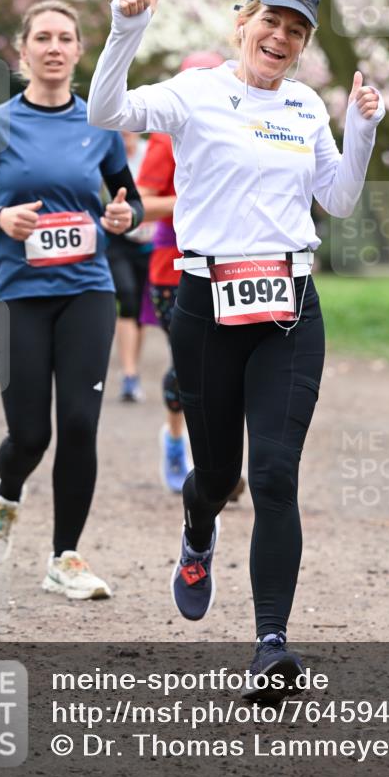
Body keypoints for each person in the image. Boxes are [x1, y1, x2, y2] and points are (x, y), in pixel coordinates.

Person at [88, 0, 384, 698]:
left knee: (275, 474)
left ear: (303, 46)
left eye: (296, 31)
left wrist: (362, 130)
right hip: (206, 305)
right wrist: (126, 28)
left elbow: (340, 198)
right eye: (270, 22)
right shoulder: (195, 92)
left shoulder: (305, 105)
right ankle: (198, 531)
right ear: (243, 23)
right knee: (218, 477)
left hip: (289, 307)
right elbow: (106, 112)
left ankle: (271, 646)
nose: (280, 38)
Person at [0, 0, 143, 600]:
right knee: (30, 435)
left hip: (87, 290)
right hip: (19, 296)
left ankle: (65, 558)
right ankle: (7, 496)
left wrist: (124, 216)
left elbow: (129, 199)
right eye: (43, 38)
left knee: (79, 424)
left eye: (64, 38)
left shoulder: (100, 122)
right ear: (23, 49)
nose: (54, 48)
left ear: (79, 51)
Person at [136, 51, 239, 497]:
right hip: (172, 269)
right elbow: (141, 203)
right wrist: (196, 198)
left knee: (229, 366)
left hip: (230, 267)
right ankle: (177, 442)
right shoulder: (164, 139)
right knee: (190, 364)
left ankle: (217, 461)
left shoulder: (239, 131)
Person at [106, 130, 153, 402]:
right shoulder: (108, 152)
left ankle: (133, 369)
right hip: (118, 240)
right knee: (126, 297)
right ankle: (128, 373)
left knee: (140, 309)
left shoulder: (151, 152)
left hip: (149, 241)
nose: (126, 132)